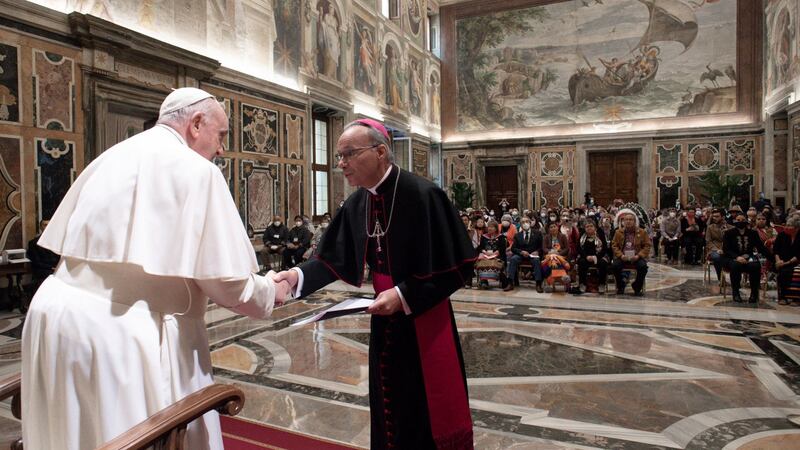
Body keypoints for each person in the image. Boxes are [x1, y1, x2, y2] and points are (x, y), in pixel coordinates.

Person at [21, 88, 290, 450]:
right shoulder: (198, 171)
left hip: (54, 315)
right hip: (118, 330)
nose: (222, 149)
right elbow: (226, 283)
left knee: (69, 431)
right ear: (196, 124)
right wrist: (269, 292)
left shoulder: (112, 156)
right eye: (221, 136)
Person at [273, 119, 475, 449]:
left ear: (380, 151)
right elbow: (330, 260)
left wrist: (403, 294)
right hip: (385, 322)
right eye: (338, 156)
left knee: (422, 412)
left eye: (348, 154)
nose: (340, 164)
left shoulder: (424, 195)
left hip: (424, 319)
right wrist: (294, 277)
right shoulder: (358, 202)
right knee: (388, 407)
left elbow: (458, 267)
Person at [722, 212, 768, 303]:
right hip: (732, 258)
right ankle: (736, 293)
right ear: (735, 221)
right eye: (738, 220)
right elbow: (726, 249)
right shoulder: (728, 233)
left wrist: (773, 257)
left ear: (746, 221)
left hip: (748, 257)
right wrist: (737, 257)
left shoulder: (752, 233)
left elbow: (761, 248)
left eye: (743, 220)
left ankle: (754, 293)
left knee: (755, 266)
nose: (740, 222)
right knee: (735, 266)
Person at [611, 209, 651, 296]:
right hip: (623, 256)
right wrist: (621, 255)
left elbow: (647, 246)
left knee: (643, 267)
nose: (628, 221)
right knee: (615, 266)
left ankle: (637, 286)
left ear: (635, 221)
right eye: (626, 220)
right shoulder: (618, 232)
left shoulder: (642, 232)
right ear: (623, 222)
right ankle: (621, 285)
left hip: (636, 257)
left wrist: (639, 255)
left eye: (631, 220)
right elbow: (614, 245)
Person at [506, 217, 544, 292]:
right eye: (523, 222)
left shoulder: (537, 233)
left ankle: (538, 284)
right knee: (513, 259)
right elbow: (513, 248)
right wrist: (521, 252)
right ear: (520, 225)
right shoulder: (517, 235)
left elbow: (541, 247)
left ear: (530, 223)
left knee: (536, 261)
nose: (525, 224)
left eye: (527, 221)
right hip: (521, 255)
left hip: (533, 254)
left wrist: (537, 251)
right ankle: (510, 283)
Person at [576, 219, 610, 294]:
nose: (589, 228)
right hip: (586, 257)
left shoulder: (600, 234)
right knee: (581, 262)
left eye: (591, 226)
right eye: (587, 226)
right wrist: (586, 257)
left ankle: (601, 284)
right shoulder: (582, 235)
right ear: (585, 228)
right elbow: (578, 248)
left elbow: (604, 248)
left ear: (595, 227)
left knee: (603, 263)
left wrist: (596, 257)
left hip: (599, 256)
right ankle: (583, 284)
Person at [26, 219, 59, 293]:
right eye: (45, 225)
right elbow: (36, 262)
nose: (47, 227)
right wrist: (52, 268)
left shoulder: (57, 241)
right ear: (40, 227)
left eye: (49, 225)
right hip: (43, 269)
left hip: (56, 267)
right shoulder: (33, 243)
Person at [774, 213, 800, 305]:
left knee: (797, 272)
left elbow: (798, 255)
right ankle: (783, 297)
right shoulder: (782, 235)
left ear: (796, 228)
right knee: (783, 272)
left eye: (790, 225)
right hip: (781, 261)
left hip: (796, 261)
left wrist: (786, 263)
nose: (786, 227)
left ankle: (796, 298)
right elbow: (776, 250)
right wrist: (778, 261)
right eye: (786, 224)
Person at [477, 220, 509, 290]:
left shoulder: (501, 237)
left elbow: (502, 248)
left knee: (495, 263)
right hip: (485, 255)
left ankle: (504, 282)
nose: (490, 228)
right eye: (489, 227)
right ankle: (484, 282)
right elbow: (480, 247)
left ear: (496, 228)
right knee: (481, 262)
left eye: (492, 227)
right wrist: (484, 251)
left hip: (498, 255)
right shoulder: (484, 237)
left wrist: (495, 253)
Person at [542, 221, 571, 291]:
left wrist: (558, 253)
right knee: (552, 260)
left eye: (554, 226)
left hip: (560, 257)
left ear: (557, 227)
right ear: (549, 229)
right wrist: (550, 252)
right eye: (551, 227)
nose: (553, 228)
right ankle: (563, 276)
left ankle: (550, 284)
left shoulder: (563, 236)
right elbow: (544, 248)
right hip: (549, 257)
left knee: (554, 261)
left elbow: (567, 248)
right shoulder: (546, 237)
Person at [705, 209, 729, 280]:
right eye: (713, 216)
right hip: (714, 249)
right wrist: (717, 249)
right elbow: (708, 241)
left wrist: (727, 233)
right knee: (717, 257)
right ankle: (721, 279)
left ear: (723, 217)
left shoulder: (730, 227)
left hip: (727, 249)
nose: (714, 218)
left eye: (717, 216)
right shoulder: (710, 227)